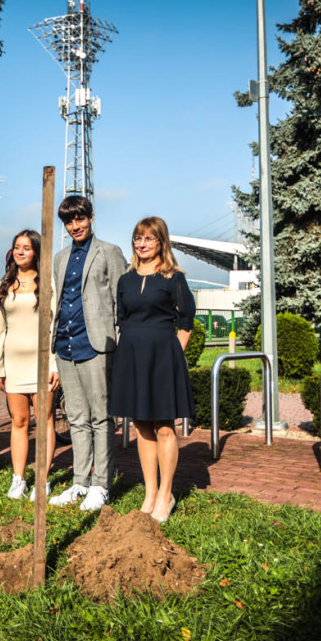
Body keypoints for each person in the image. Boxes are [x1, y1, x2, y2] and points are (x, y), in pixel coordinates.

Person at [109, 217, 195, 523]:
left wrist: (172, 356)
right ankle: (150, 492)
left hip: (162, 357)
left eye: (148, 239)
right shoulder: (126, 280)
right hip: (132, 356)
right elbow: (122, 319)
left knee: (164, 427)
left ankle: (165, 494)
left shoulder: (174, 278)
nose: (141, 244)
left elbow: (186, 321)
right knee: (141, 426)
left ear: (161, 242)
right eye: (137, 238)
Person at [47, 195, 128, 512]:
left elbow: (122, 304)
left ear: (91, 218)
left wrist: (117, 345)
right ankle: (80, 482)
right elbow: (60, 299)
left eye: (80, 219)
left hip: (97, 345)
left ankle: (102, 485)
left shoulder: (109, 252)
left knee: (101, 418)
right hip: (66, 345)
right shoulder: (60, 257)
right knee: (76, 418)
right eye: (69, 221)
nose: (75, 226)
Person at [0, 230, 58, 499]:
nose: (20, 252)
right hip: (13, 363)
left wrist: (55, 363)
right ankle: (18, 479)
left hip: (42, 362)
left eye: (27, 248)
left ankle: (42, 478)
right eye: (17, 247)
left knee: (44, 420)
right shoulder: (3, 285)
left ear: (37, 253)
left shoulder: (48, 285)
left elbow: (55, 326)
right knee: (19, 420)